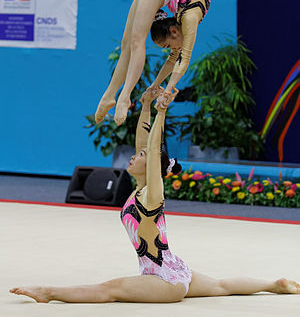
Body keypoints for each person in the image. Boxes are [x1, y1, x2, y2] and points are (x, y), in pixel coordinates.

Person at [9, 86, 300, 303]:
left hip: (163, 279)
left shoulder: (151, 193)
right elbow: (143, 138)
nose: (134, 157)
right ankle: (274, 284)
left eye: (142, 156)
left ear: (152, 168)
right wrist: (147, 105)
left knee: (109, 290)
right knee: (222, 286)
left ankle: (47, 292)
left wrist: (161, 112)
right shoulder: (141, 189)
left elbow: (153, 143)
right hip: (176, 268)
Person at [95, 0, 211, 126]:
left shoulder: (183, 23)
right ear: (173, 31)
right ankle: (123, 96)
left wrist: (156, 85)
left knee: (130, 44)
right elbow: (184, 59)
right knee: (133, 43)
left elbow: (175, 58)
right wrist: (168, 90)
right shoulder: (189, 20)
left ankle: (109, 97)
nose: (171, 49)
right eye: (168, 45)